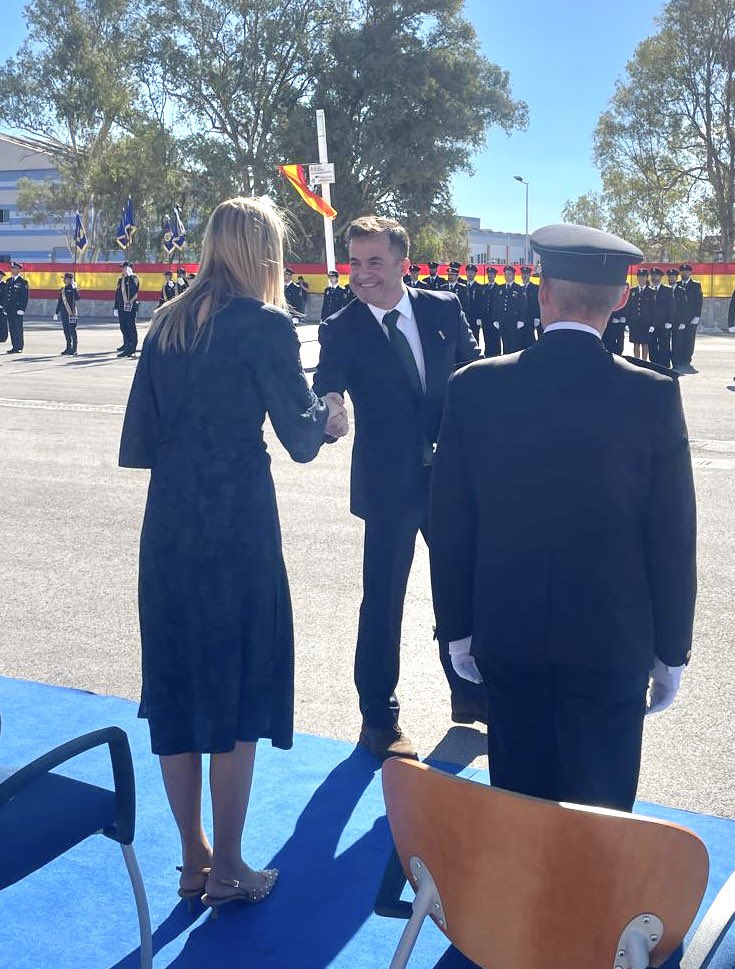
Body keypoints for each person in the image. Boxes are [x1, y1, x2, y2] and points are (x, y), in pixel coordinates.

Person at [119, 195, 348, 913]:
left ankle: (194, 859)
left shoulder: (167, 322)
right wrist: (332, 417)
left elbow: (140, 440)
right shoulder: (264, 323)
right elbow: (302, 438)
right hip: (238, 525)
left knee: (180, 688)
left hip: (170, 526)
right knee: (238, 692)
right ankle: (230, 868)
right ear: (263, 253)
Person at [430, 223, 696, 812]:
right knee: (600, 821)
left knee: (520, 817)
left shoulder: (474, 388)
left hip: (509, 633)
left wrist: (457, 629)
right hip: (612, 644)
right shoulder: (652, 394)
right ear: (621, 299)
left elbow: (451, 527)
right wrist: (670, 649)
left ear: (541, 292)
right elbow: (672, 538)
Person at [313, 215, 484, 762]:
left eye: (373, 262)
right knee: (383, 601)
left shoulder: (442, 308)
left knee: (461, 588)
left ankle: (469, 694)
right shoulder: (341, 327)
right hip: (388, 486)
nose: (361, 274)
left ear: (402, 265)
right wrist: (333, 411)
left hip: (449, 482)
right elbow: (328, 385)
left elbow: (469, 374)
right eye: (354, 262)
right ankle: (378, 717)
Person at [493, 265, 529, 353]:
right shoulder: (500, 288)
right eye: (505, 274)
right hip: (503, 321)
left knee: (514, 346)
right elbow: (496, 304)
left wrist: (521, 319)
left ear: (513, 275)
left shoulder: (519, 288)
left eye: (509, 274)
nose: (506, 276)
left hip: (514, 322)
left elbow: (523, 305)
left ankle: (513, 365)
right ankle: (506, 365)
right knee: (505, 345)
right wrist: (496, 319)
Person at [647, 267, 674, 368]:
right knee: (652, 344)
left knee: (664, 345)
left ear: (661, 277)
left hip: (664, 323)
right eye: (653, 275)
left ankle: (665, 365)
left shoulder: (667, 290)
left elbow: (672, 306)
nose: (654, 277)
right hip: (651, 324)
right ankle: (654, 364)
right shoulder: (648, 290)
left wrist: (670, 321)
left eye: (657, 275)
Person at [677, 264, 703, 368]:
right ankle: (679, 357)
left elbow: (699, 301)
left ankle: (687, 358)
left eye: (687, 272)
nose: (685, 273)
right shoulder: (677, 284)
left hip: (691, 318)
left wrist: (697, 316)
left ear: (690, 273)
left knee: (689, 338)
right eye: (683, 272)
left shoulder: (696, 285)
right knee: (679, 338)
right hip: (679, 318)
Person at [114, 260, 140, 357]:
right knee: (123, 327)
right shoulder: (121, 280)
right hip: (122, 307)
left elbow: (134, 289)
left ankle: (132, 348)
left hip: (130, 307)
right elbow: (117, 294)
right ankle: (127, 345)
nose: (122, 269)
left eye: (124, 267)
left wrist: (130, 276)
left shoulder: (134, 278)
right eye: (122, 267)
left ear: (129, 268)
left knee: (131, 327)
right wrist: (116, 307)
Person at [626, 267, 653, 360]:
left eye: (643, 277)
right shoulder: (632, 291)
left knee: (645, 344)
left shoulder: (652, 292)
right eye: (639, 277)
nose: (641, 279)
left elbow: (654, 309)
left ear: (646, 278)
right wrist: (628, 322)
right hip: (634, 322)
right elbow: (628, 307)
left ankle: (644, 362)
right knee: (636, 343)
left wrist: (652, 324)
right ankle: (637, 361)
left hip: (646, 322)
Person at [53, 272, 81, 355]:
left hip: (71, 313)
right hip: (64, 313)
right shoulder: (63, 289)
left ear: (70, 279)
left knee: (72, 330)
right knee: (66, 331)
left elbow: (77, 298)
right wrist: (56, 312)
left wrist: (75, 288)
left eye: (65, 278)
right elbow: (60, 301)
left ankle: (74, 348)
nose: (64, 280)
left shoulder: (73, 289)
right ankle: (68, 347)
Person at [4, 260, 29, 354]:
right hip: (10, 309)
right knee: (12, 328)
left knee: (18, 328)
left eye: (14, 268)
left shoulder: (23, 282)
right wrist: (6, 308)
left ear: (18, 270)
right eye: (11, 268)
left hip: (18, 309)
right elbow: (7, 295)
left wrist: (22, 309)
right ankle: (14, 346)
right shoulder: (9, 281)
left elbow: (24, 297)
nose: (12, 269)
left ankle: (19, 347)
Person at [481, 266, 502, 357]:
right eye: (488, 274)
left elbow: (499, 305)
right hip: (485, 318)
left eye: (492, 274)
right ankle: (487, 355)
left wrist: (497, 318)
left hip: (495, 318)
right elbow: (480, 303)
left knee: (495, 339)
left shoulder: (499, 288)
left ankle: (496, 356)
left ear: (495, 276)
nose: (490, 276)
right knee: (486, 338)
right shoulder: (483, 287)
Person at [464, 263, 485, 343]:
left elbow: (481, 304)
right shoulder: (462, 286)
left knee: (475, 337)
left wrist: (479, 317)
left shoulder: (479, 287)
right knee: (464, 338)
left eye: (472, 272)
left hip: (475, 317)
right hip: (464, 317)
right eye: (468, 272)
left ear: (475, 274)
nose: (469, 274)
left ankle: (476, 355)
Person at [520, 265, 541, 341]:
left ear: (529, 275)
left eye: (526, 274)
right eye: (523, 274)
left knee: (530, 339)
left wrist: (537, 317)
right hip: (521, 318)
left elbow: (538, 303)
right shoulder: (518, 288)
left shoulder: (535, 288)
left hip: (531, 318)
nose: (524, 276)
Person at [0, 269, 8, 344]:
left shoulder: (4, 285)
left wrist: (2, 305)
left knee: (2, 323)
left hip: (1, 307)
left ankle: (3, 337)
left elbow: (5, 297)